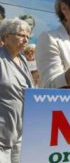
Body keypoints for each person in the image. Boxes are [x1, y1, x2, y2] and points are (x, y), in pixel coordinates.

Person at [0, 18, 33, 163]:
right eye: (21, 35)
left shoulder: (23, 60)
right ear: (6, 37)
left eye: (28, 36)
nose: (25, 40)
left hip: (20, 135)